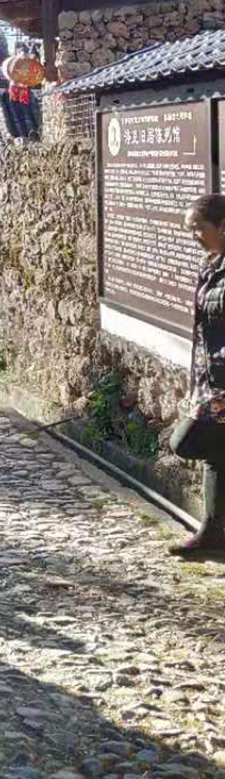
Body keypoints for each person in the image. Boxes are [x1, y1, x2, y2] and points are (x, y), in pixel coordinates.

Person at [169, 195, 225, 558]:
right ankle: (212, 533)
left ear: (222, 227)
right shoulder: (213, 264)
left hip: (223, 383)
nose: (194, 237)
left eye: (198, 229)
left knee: (185, 441)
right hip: (211, 379)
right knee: (217, 453)